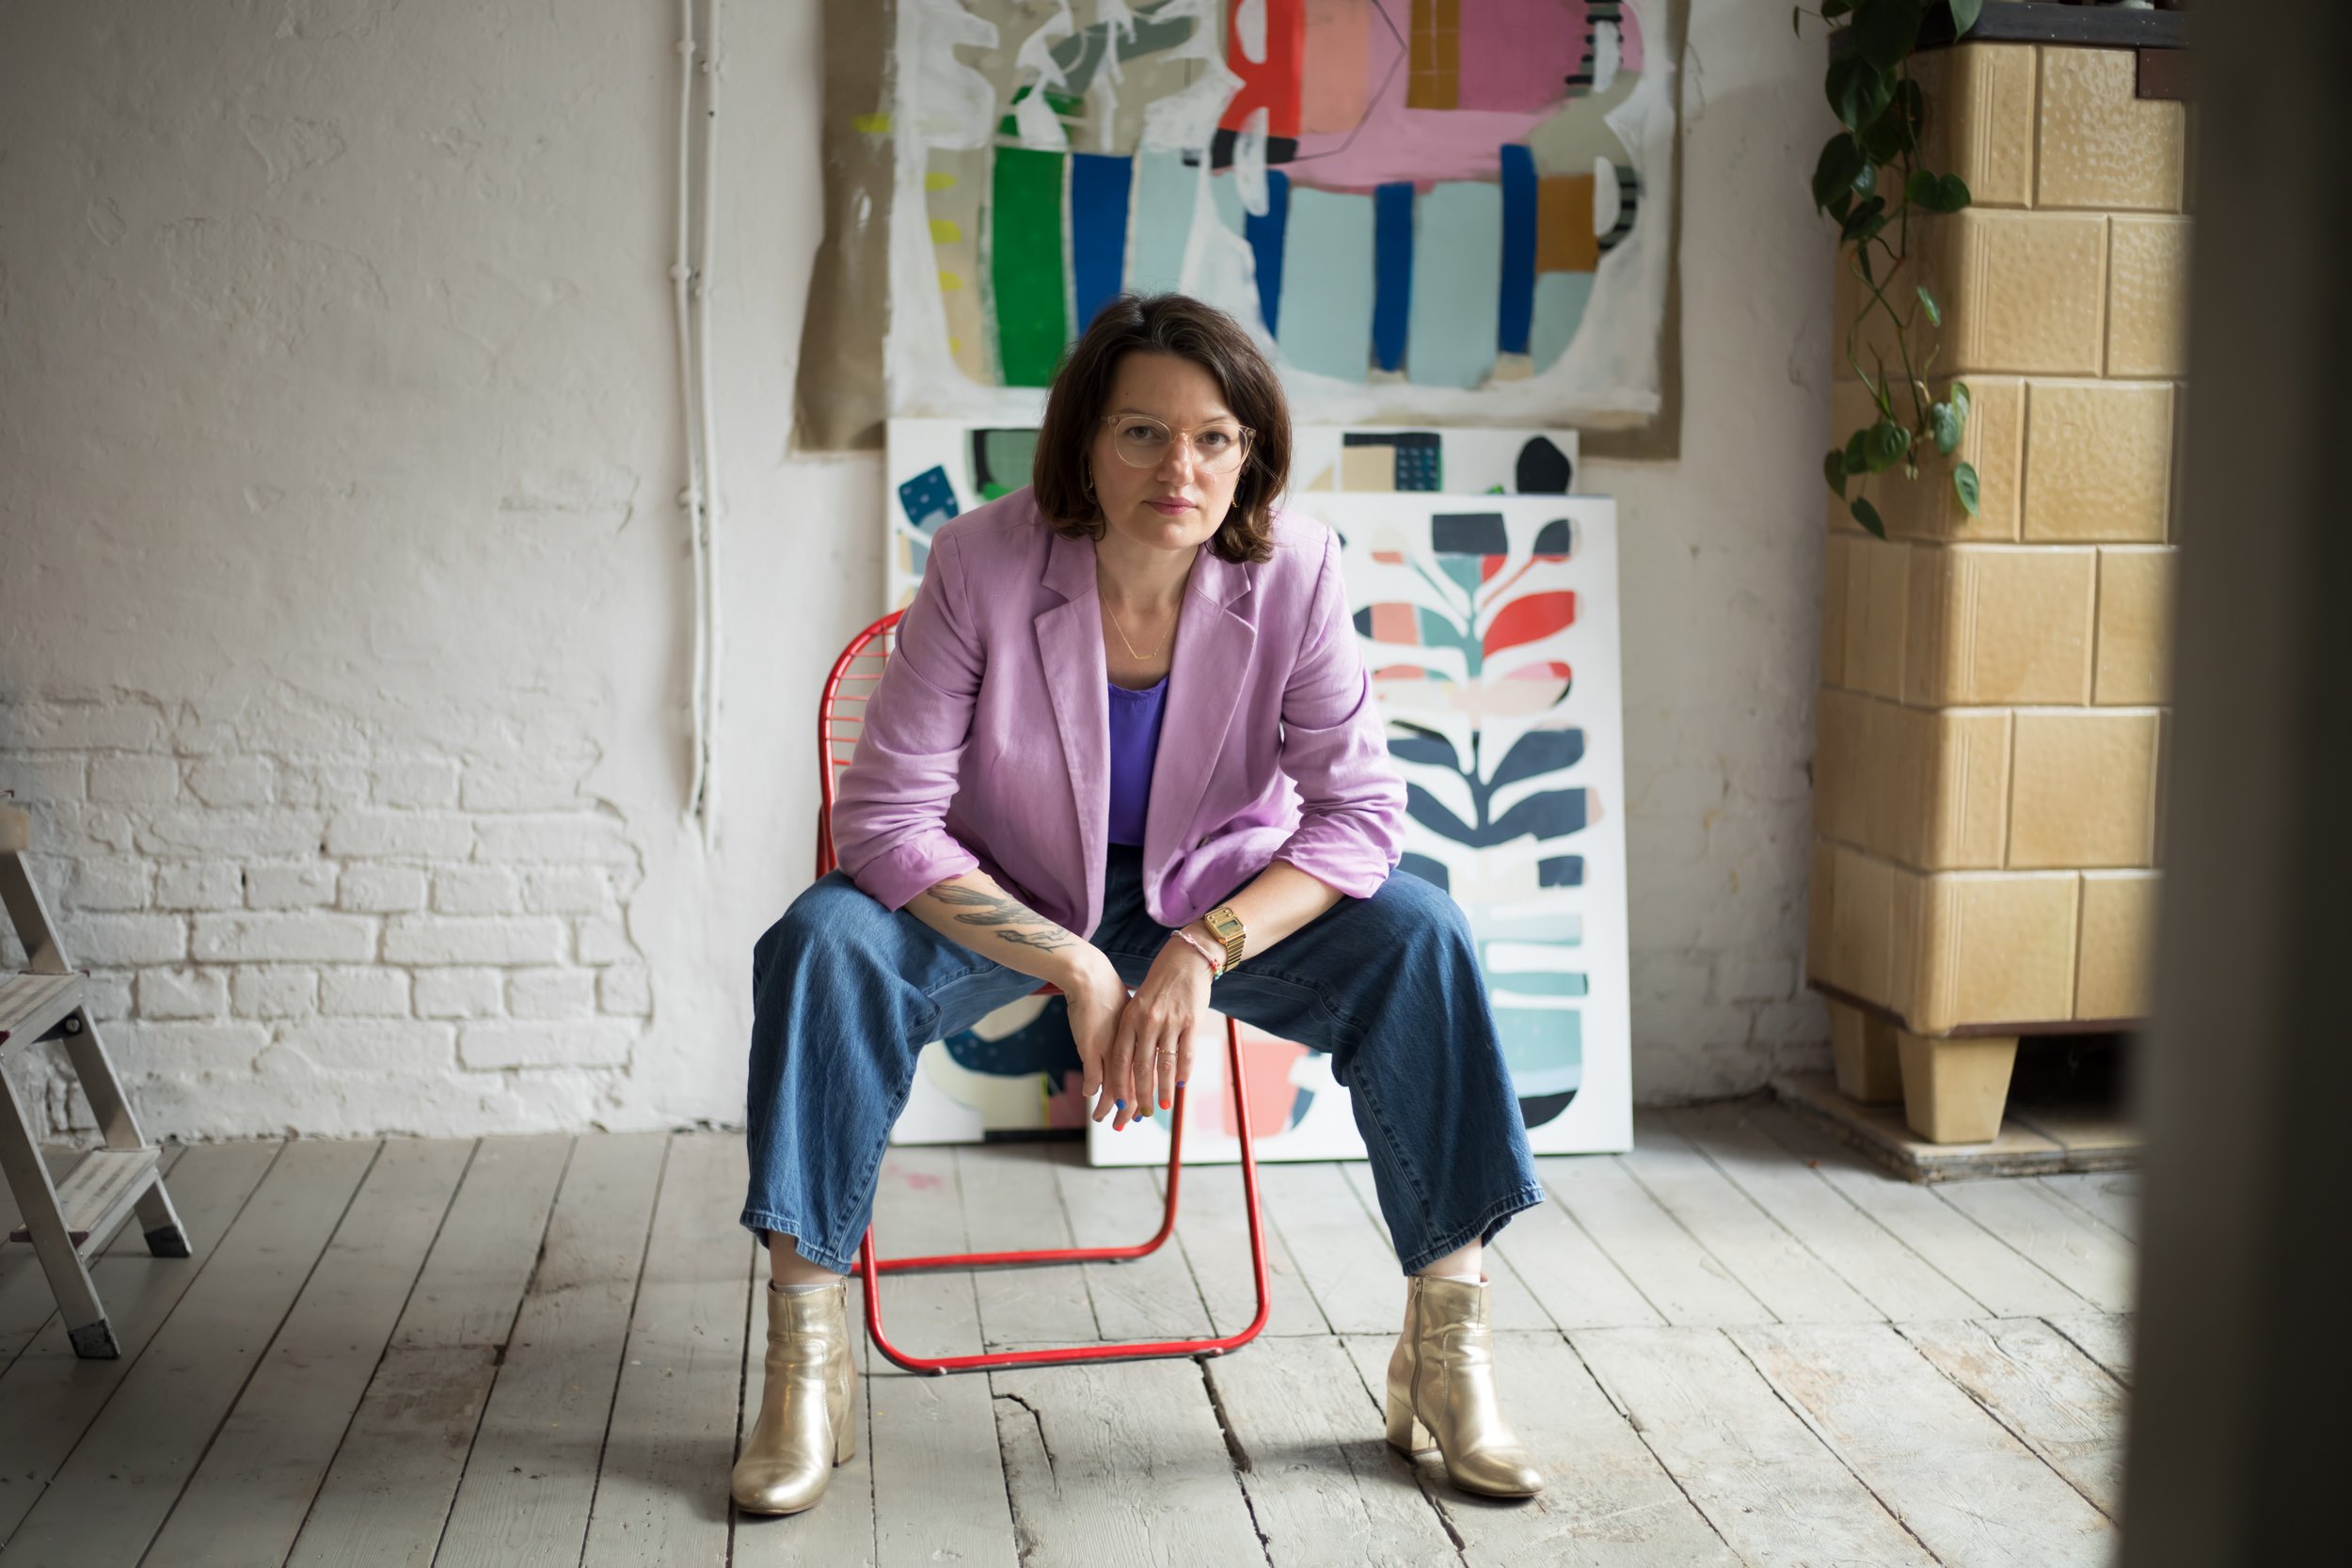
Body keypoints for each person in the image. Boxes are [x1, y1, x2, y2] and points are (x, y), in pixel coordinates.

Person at [733, 293, 1548, 1517]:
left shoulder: (1299, 574)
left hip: (1220, 898)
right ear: (1084, 445)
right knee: (819, 942)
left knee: (1423, 932)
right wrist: (1078, 964)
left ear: (1251, 454)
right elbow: (884, 818)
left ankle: (1447, 1358)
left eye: (1217, 438)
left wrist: (1197, 951)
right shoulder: (983, 563)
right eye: (1143, 435)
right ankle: (807, 1360)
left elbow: (1361, 817)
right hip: (1007, 891)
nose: (1184, 467)